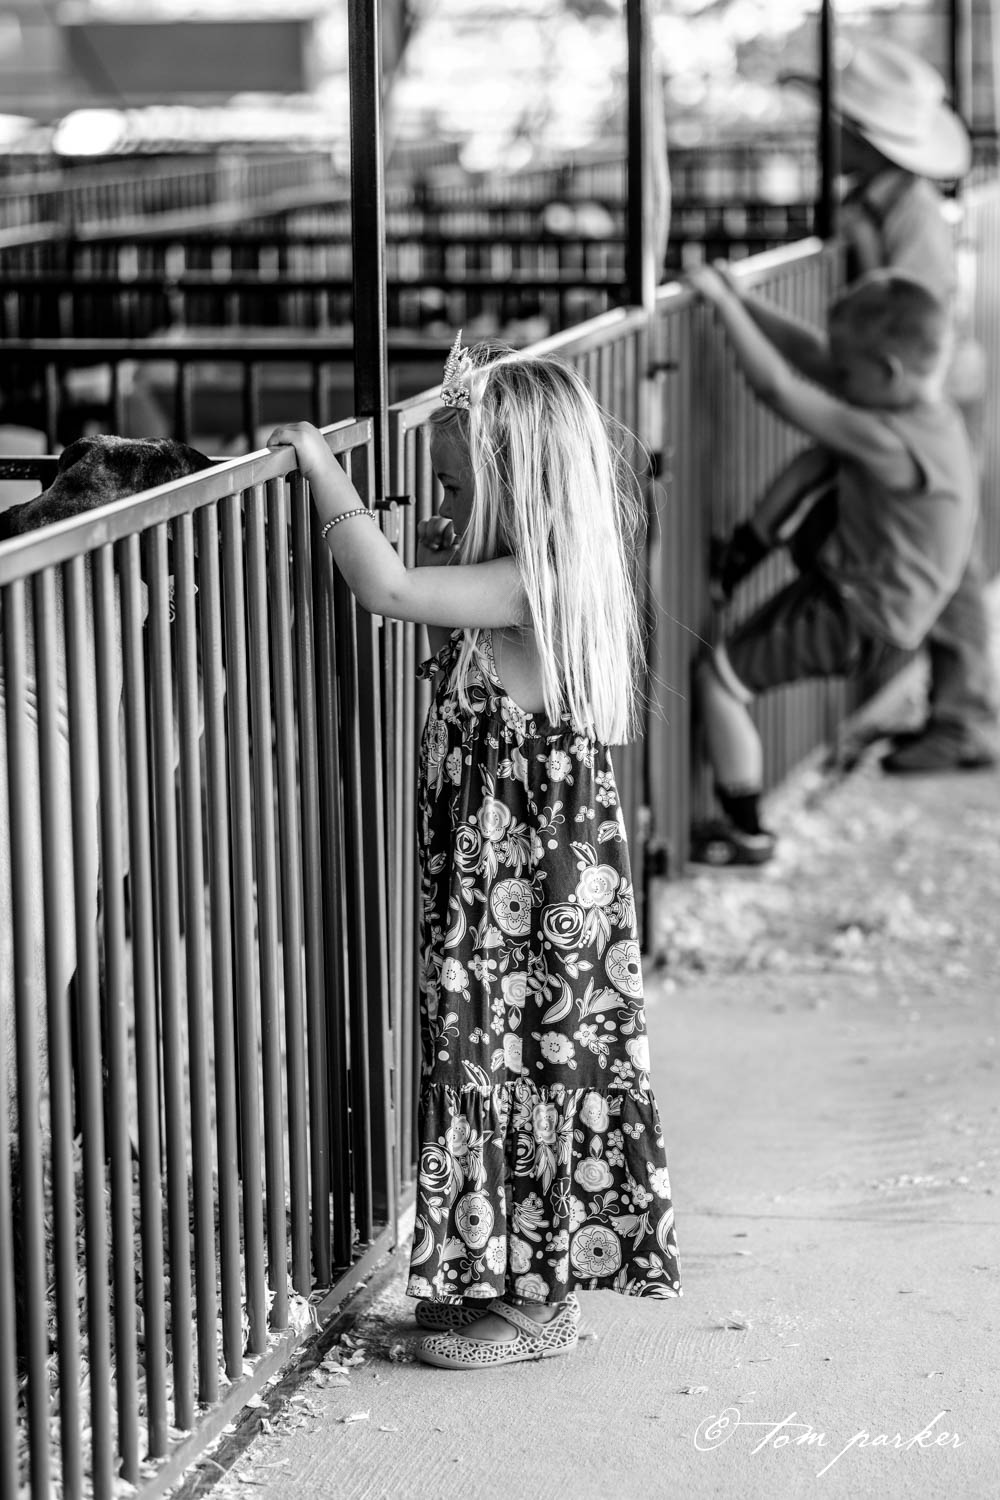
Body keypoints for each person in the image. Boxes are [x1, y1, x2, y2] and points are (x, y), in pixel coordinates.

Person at [268, 340, 681, 1370]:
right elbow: (449, 653)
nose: (444, 503)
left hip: (528, 890)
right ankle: (489, 1278)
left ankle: (541, 1307)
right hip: (488, 883)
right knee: (483, 1062)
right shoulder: (507, 583)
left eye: (457, 485)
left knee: (528, 1063)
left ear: (517, 488)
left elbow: (386, 591)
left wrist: (321, 466)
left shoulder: (534, 581)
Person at [688, 265, 977, 865]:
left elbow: (779, 389)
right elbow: (807, 354)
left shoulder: (888, 439)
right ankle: (746, 549)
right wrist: (745, 299)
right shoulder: (926, 414)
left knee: (720, 680)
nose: (834, 377)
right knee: (823, 455)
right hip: (883, 604)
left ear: (887, 372)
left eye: (845, 373)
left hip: (859, 614)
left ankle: (747, 833)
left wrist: (721, 302)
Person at [786, 36, 998, 772]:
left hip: (931, 401)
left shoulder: (906, 213)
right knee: (935, 545)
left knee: (949, 548)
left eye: (839, 125)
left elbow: (905, 319)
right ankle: (956, 706)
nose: (828, 134)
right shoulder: (876, 202)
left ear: (865, 138)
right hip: (913, 398)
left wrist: (859, 248)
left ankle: (966, 715)